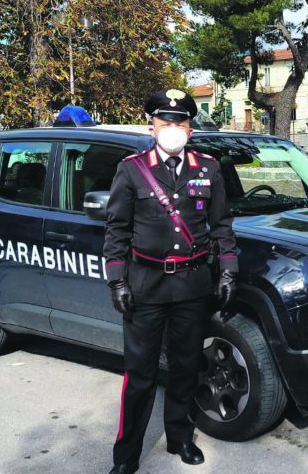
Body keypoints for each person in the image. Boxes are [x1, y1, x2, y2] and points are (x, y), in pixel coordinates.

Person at [103, 89, 240, 474]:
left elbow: (222, 226)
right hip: (145, 285)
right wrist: (117, 281)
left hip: (193, 285)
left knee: (185, 368)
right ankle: (127, 456)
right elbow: (116, 230)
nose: (174, 128)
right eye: (166, 122)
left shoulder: (207, 168)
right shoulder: (131, 169)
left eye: (181, 122)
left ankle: (179, 436)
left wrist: (229, 270)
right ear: (152, 127)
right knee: (141, 375)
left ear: (191, 129)